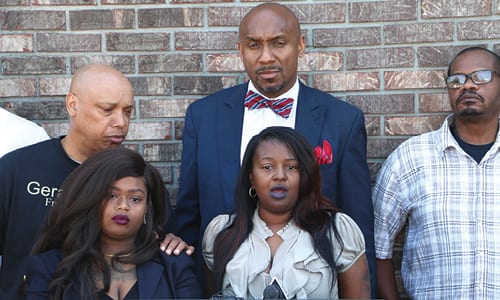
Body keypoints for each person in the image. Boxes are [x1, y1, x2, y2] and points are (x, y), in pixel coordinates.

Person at [175, 1, 376, 292]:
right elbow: (188, 219)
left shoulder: (342, 121)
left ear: (300, 46)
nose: (266, 57)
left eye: (279, 43)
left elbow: (358, 228)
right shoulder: (204, 116)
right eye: (254, 45)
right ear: (240, 49)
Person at [0, 64, 191, 300]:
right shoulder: (18, 168)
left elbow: (162, 240)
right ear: (72, 105)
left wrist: (172, 241)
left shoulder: (138, 179)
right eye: (107, 109)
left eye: (127, 111)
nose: (121, 122)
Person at [373, 46, 500, 299]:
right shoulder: (410, 158)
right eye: (457, 80)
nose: (467, 86)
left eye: (481, 76)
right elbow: (377, 248)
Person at [202, 126, 370, 299]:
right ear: (251, 178)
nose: (280, 176)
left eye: (291, 167)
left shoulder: (338, 231)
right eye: (267, 167)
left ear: (304, 175)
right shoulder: (221, 232)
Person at [21, 147, 202, 299]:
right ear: (91, 199)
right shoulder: (50, 266)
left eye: (135, 199)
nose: (123, 206)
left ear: (147, 207)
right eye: (112, 195)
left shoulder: (174, 263)